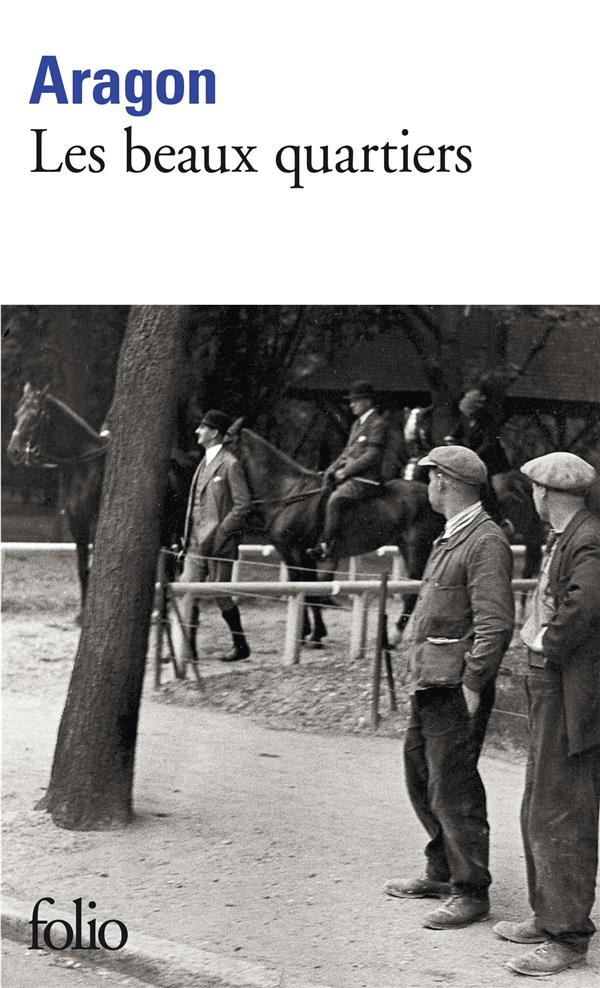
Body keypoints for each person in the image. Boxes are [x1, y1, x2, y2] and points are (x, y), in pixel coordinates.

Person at [385, 446, 514, 929]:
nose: (428, 487)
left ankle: (470, 889)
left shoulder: (484, 540)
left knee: (453, 788)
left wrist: (474, 683)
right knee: (421, 774)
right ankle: (441, 871)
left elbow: (495, 624)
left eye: (430, 479)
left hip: (456, 685)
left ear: (444, 482)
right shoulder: (453, 534)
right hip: (433, 680)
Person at [493, 452, 600, 977]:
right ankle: (547, 914)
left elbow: (585, 605)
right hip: (551, 685)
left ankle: (567, 936)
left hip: (567, 687)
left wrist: (546, 642)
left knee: (562, 810)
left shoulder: (587, 539)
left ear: (546, 493)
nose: (533, 497)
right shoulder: (567, 536)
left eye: (534, 489)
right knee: (540, 802)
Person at [175, 409, 252, 664]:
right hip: (196, 541)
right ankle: (188, 649)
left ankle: (240, 645)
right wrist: (187, 535)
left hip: (220, 543)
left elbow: (243, 505)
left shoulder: (230, 464)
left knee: (221, 594)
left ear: (214, 433)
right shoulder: (203, 462)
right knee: (188, 589)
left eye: (203, 428)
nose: (197, 431)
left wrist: (222, 531)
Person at [309, 381, 387, 560]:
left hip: (366, 479)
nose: (351, 405)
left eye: (355, 401)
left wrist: (345, 472)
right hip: (351, 476)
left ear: (368, 401)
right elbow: (347, 453)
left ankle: (326, 545)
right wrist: (329, 470)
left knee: (335, 499)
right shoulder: (357, 424)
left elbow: (372, 455)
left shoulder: (377, 423)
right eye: (351, 401)